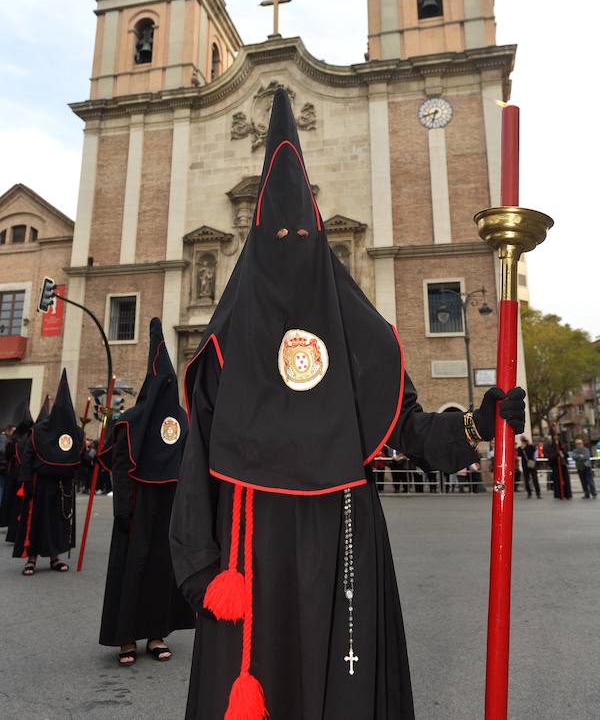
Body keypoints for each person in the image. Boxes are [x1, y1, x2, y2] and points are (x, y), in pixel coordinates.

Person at [169, 89, 526, 720]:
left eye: (300, 231)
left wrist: (477, 422)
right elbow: (197, 455)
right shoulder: (224, 342)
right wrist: (199, 563)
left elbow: (405, 424)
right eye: (276, 232)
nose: (289, 242)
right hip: (247, 547)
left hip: (344, 535)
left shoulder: (358, 333)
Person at [98, 318, 194, 666]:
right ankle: (126, 636)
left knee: (160, 569)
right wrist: (123, 508)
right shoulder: (130, 422)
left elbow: (187, 462)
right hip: (136, 507)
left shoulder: (182, 420)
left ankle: (156, 633)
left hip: (169, 507)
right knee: (132, 567)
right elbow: (121, 469)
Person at [13, 373, 83, 574]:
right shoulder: (39, 430)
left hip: (63, 486)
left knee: (58, 522)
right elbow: (27, 457)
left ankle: (55, 557)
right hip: (40, 484)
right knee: (36, 521)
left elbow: (80, 456)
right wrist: (26, 481)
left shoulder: (75, 432)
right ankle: (31, 559)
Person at [1, 403, 34, 542]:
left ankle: (11, 526)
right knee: (20, 504)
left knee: (13, 502)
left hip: (14, 474)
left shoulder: (14, 439)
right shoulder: (30, 439)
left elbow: (7, 455)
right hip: (23, 475)